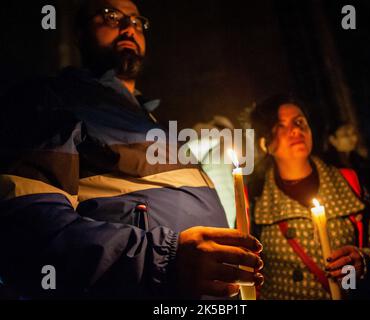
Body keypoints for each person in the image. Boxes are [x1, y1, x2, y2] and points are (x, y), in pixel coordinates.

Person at [0, 0, 264, 299]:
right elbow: (28, 230)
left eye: (137, 21)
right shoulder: (51, 98)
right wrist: (165, 259)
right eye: (111, 16)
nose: (128, 27)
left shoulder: (149, 119)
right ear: (80, 32)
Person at [249, 94, 370, 300]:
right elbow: (248, 270)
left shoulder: (347, 182)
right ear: (265, 143)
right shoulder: (256, 198)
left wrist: (363, 262)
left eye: (300, 121)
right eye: (281, 126)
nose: (296, 129)